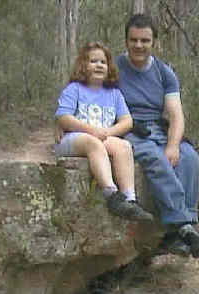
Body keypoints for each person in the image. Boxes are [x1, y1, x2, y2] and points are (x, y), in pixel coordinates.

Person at [115, 14, 199, 258]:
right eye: (134, 40)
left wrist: (173, 145)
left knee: (189, 157)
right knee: (152, 157)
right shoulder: (114, 68)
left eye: (145, 40)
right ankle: (184, 227)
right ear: (126, 41)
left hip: (157, 128)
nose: (139, 45)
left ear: (154, 43)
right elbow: (88, 94)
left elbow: (176, 115)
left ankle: (175, 234)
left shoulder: (164, 73)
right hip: (126, 128)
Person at [54, 41, 153, 222]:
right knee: (93, 143)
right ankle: (111, 194)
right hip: (73, 139)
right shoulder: (74, 89)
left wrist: (109, 132)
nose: (99, 65)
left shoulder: (114, 94)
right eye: (93, 61)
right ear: (83, 65)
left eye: (103, 62)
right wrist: (91, 130)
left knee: (123, 146)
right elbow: (63, 117)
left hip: (101, 138)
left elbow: (127, 121)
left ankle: (129, 200)